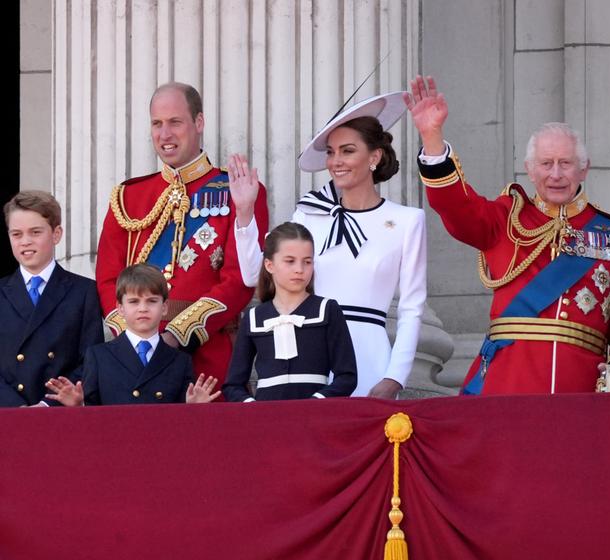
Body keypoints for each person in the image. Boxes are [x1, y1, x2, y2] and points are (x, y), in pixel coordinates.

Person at [405, 75, 610, 395]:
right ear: (530, 168)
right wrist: (432, 138)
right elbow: (456, 207)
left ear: (584, 169)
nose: (555, 174)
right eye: (546, 163)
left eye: (565, 163)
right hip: (509, 382)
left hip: (583, 387)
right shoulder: (506, 218)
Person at [229, 92, 427, 399]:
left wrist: (394, 377)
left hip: (370, 357)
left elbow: (411, 308)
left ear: (374, 157)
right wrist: (244, 214)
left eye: (347, 151)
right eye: (332, 152)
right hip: (310, 350)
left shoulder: (407, 221)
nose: (336, 162)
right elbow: (254, 275)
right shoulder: (309, 215)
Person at [94, 82, 269, 388]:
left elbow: (240, 279)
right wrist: (135, 337)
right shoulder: (128, 197)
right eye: (157, 124)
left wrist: (176, 335)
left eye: (175, 122)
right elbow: (108, 278)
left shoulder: (235, 191)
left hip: (206, 360)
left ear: (198, 123)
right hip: (134, 358)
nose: (165, 134)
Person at [46, 264, 221, 405]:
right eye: (134, 302)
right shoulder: (99, 356)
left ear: (164, 307)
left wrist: (194, 409)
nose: (143, 308)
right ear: (120, 308)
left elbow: (183, 425)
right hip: (114, 445)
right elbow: (92, 417)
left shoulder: (180, 361)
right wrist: (78, 405)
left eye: (152, 301)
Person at [222, 222, 356, 401]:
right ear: (269, 265)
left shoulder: (327, 310)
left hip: (315, 418)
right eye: (290, 261)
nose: (299, 269)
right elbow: (233, 385)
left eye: (307, 262)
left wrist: (316, 402)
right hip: (267, 420)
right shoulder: (254, 318)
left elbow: (347, 377)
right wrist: (251, 407)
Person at [0, 190, 104, 407]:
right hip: (7, 414)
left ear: (56, 234)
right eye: (16, 234)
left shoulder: (84, 292)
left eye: (35, 232)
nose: (25, 241)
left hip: (58, 415)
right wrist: (14, 406)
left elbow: (90, 360)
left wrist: (48, 405)